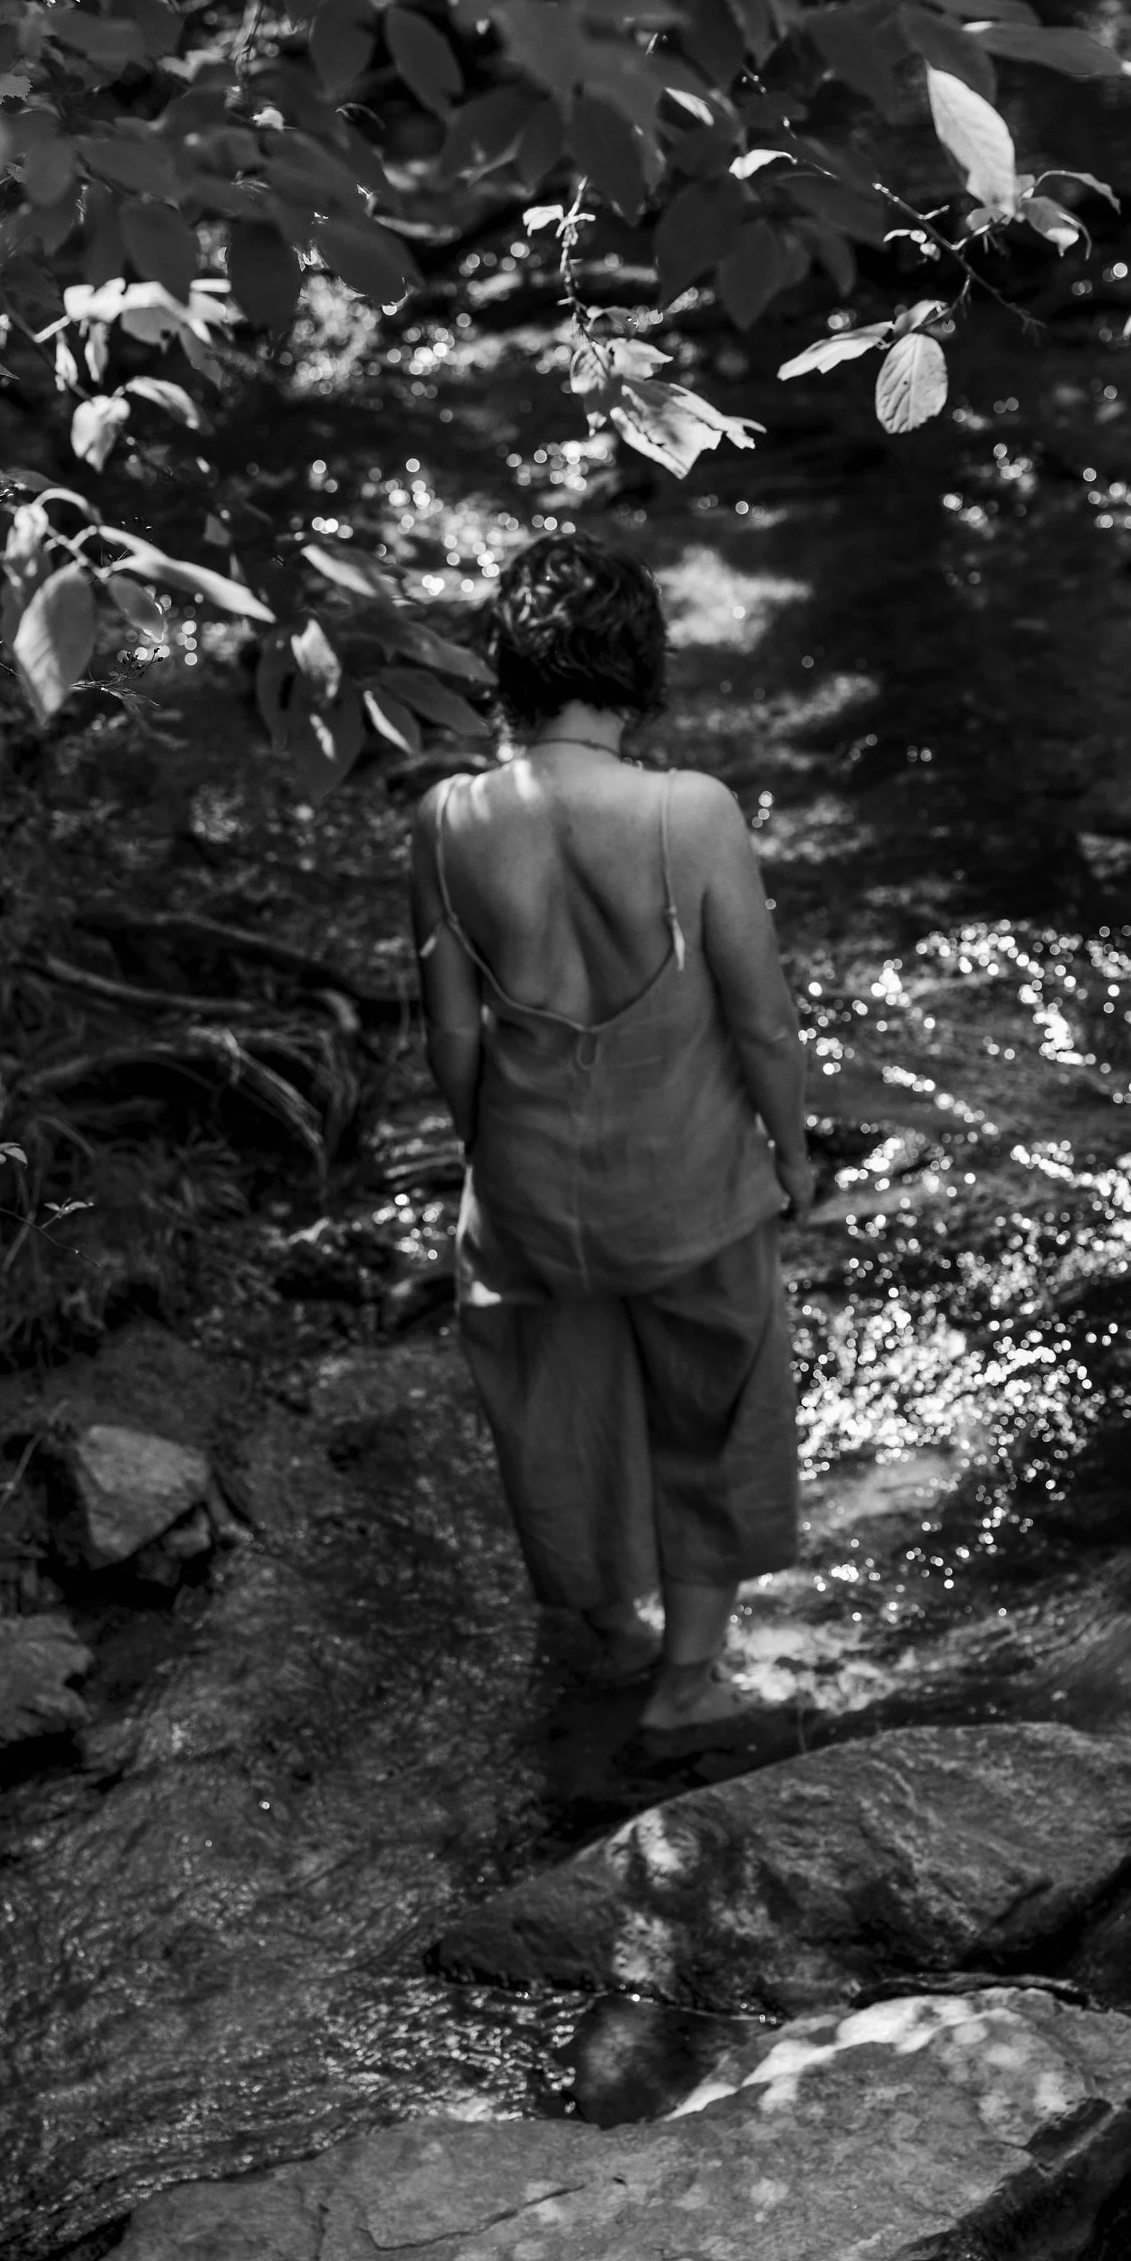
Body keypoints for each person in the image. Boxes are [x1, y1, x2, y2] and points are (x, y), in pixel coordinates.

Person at [412, 529, 816, 1738]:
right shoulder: (689, 812)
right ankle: (686, 1681)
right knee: (717, 1404)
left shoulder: (447, 820)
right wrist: (792, 1157)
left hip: (532, 1189)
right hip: (688, 1187)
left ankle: (606, 1630)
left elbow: (451, 1036)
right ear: (641, 672)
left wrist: (490, 1160)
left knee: (561, 1408)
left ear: (508, 673)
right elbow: (762, 1020)